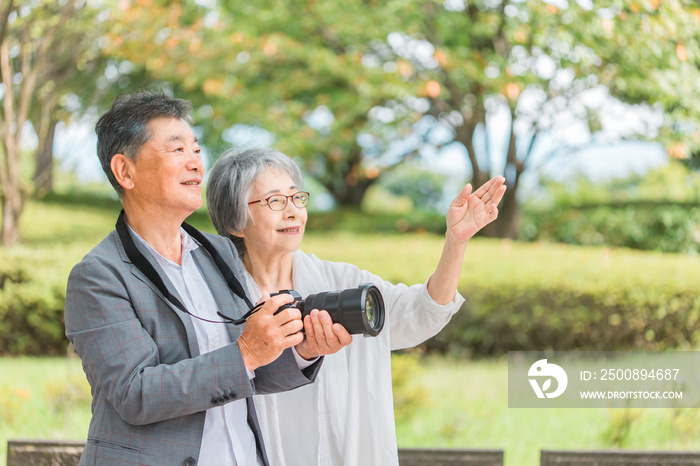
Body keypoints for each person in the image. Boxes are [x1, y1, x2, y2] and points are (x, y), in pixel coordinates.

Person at [64, 92, 351, 466]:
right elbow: (136, 394)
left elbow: (249, 372)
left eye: (197, 150)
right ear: (125, 171)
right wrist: (246, 352)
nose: (196, 163)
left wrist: (301, 350)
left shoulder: (220, 253)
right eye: (177, 149)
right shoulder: (97, 277)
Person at [206, 147, 507, 466]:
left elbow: (420, 313)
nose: (293, 211)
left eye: (297, 198)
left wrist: (456, 242)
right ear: (236, 221)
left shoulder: (341, 281)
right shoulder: (212, 303)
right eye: (275, 201)